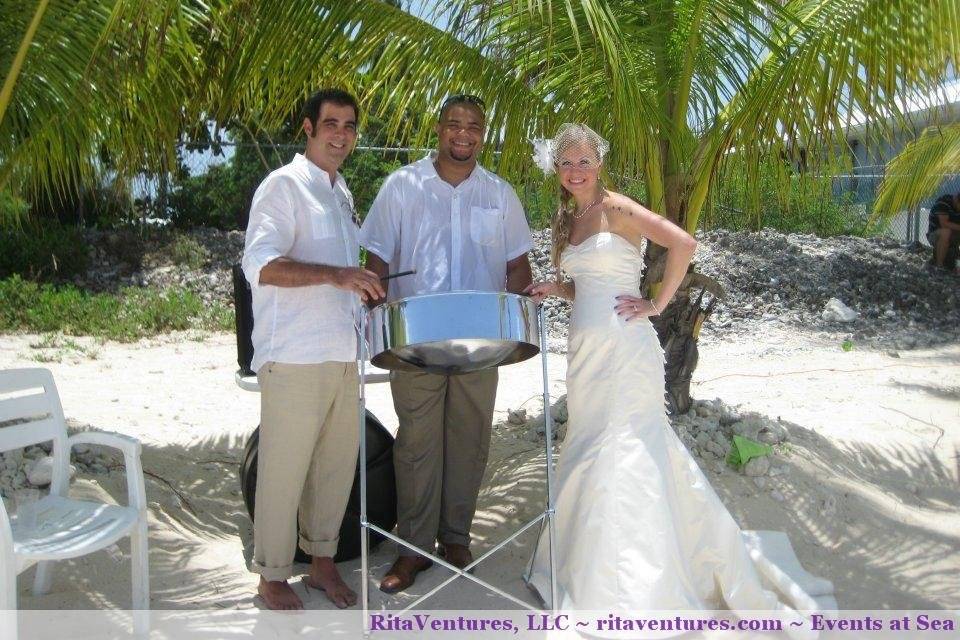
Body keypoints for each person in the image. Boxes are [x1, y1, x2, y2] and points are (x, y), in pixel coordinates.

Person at [523, 124, 822, 626]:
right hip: (584, 350)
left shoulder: (619, 207)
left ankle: (630, 584)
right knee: (589, 441)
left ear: (599, 164)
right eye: (565, 163)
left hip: (624, 349)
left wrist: (657, 304)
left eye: (584, 162)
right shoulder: (568, 220)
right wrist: (559, 289)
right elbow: (592, 287)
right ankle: (581, 564)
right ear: (556, 169)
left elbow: (684, 242)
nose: (575, 171)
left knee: (626, 447)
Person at [359, 94, 534, 593]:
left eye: (473, 126)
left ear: (484, 133)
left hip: (480, 342)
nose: (463, 134)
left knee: (470, 441)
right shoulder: (401, 187)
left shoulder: (500, 194)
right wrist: (374, 318)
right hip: (418, 342)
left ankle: (455, 538)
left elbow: (516, 267)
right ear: (438, 129)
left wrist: (523, 309)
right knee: (416, 444)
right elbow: (377, 262)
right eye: (454, 124)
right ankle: (412, 549)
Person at [241, 88, 385, 610]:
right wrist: (339, 275)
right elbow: (260, 265)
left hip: (344, 353)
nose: (340, 135)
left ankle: (322, 563)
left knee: (334, 467)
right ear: (308, 128)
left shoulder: (341, 190)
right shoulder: (283, 186)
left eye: (349, 126)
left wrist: (362, 289)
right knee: (283, 469)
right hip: (294, 355)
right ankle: (272, 577)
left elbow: (345, 279)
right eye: (331, 124)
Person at [927, 192, 960, 270]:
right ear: (957, 200)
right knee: (946, 232)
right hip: (935, 234)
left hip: (954, 234)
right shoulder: (943, 203)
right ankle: (939, 266)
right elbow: (944, 224)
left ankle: (958, 265)